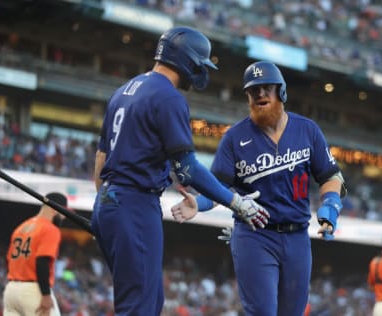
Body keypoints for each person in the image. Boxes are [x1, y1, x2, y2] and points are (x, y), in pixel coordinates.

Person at [91, 26, 270, 316]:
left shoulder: (124, 89)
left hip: (111, 203)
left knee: (148, 302)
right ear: (185, 59)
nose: (200, 71)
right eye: (200, 63)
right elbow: (186, 168)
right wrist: (236, 202)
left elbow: (102, 155)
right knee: (139, 308)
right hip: (135, 204)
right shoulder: (169, 97)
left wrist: (106, 205)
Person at [171, 60, 347, 316]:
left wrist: (331, 204)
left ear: (281, 92)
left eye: (267, 88)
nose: (261, 94)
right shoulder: (234, 137)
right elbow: (220, 186)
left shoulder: (307, 130)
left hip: (297, 236)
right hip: (254, 236)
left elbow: (331, 175)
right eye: (254, 90)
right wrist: (199, 203)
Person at [3, 192, 68, 316]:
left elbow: (9, 259)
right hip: (33, 290)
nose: (64, 217)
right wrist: (46, 295)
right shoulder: (50, 229)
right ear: (55, 209)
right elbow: (42, 262)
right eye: (63, 212)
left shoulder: (21, 227)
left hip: (11, 290)